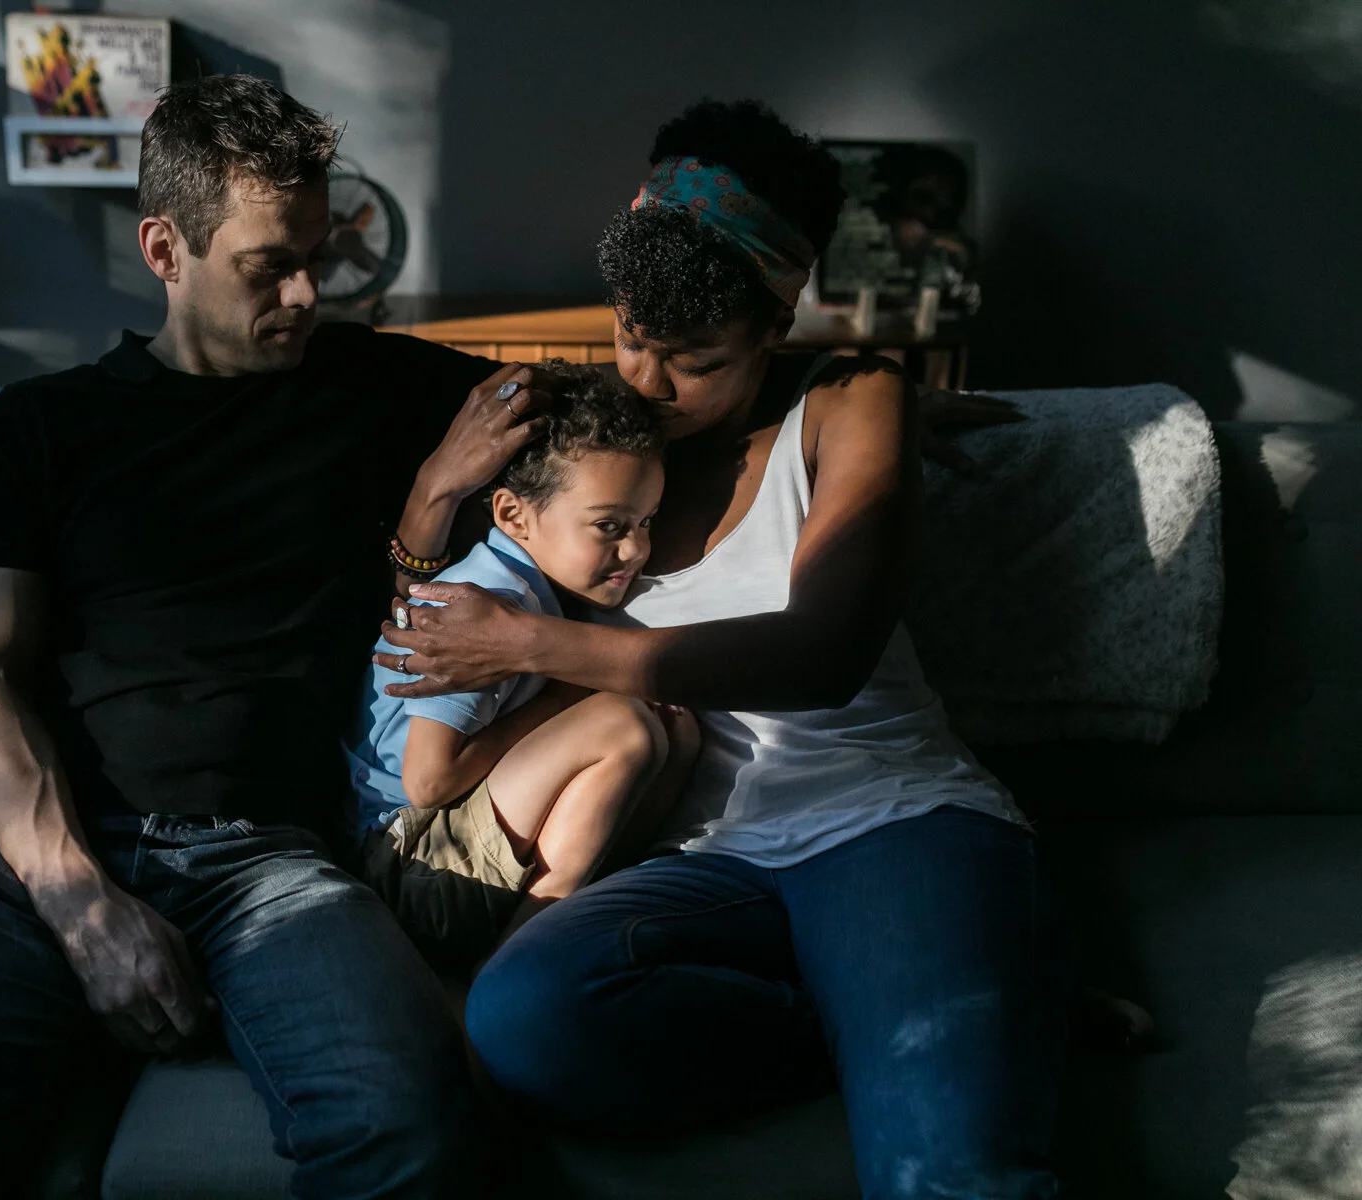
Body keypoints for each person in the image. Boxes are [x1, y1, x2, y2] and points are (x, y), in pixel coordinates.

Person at [0, 75, 553, 1199]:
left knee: (418, 1136)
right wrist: (80, 905)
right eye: (268, 266)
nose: (305, 294)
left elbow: (612, 418)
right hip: (40, 858)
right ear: (165, 249)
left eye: (317, 258)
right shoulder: (41, 428)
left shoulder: (375, 387)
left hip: (272, 861)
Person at [377, 100, 1070, 1198]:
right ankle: (932, 1016)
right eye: (630, 338)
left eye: (694, 361)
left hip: (887, 821)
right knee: (522, 1018)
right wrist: (430, 493)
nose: (647, 384)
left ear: (776, 324)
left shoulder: (853, 399)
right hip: (699, 860)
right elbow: (441, 623)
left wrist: (536, 641)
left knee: (951, 1176)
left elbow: (822, 658)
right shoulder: (581, 426)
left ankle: (947, 1007)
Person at [346, 364, 698, 965]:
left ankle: (586, 906)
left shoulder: (536, 590)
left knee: (677, 730)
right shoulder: (482, 605)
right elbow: (427, 782)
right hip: (410, 857)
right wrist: (560, 699)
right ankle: (511, 962)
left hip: (455, 836)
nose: (637, 548)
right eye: (609, 526)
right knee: (622, 725)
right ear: (513, 516)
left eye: (646, 522)